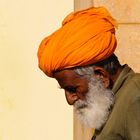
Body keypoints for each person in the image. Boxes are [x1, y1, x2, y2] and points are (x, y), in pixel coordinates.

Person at [37, 7, 140, 140]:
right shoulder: (113, 101)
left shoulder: (135, 98)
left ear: (101, 77)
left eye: (72, 89)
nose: (69, 100)